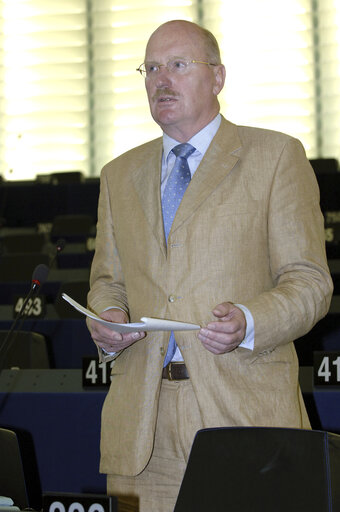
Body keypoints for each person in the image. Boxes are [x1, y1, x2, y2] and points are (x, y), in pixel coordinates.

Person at [87, 19, 333, 512]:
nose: (161, 79)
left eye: (178, 65)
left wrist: (249, 320)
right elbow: (108, 282)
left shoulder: (276, 156)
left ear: (217, 77)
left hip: (244, 412)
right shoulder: (118, 174)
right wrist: (107, 317)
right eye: (151, 68)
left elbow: (310, 283)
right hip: (142, 428)